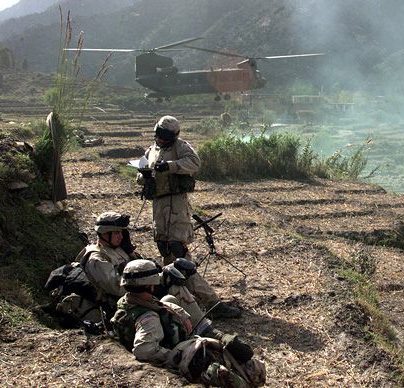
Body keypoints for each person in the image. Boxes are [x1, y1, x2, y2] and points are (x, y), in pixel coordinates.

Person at [137, 115, 240, 318]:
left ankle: (211, 303)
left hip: (176, 205)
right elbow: (139, 176)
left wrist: (171, 166)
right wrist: (145, 175)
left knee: (180, 256)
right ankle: (180, 299)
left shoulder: (181, 147)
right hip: (158, 207)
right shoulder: (152, 150)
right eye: (159, 135)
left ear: (174, 136)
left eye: (165, 136)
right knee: (166, 253)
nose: (161, 139)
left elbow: (194, 163)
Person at [112, 259, 265, 388]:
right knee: (243, 371)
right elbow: (144, 350)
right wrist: (179, 353)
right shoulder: (149, 319)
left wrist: (182, 315)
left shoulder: (128, 301)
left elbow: (160, 303)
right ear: (149, 285)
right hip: (176, 349)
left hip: (169, 335)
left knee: (168, 300)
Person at [73, 211, 215, 334]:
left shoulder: (118, 248)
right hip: (123, 302)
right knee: (172, 285)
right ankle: (200, 327)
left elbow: (142, 267)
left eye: (122, 232)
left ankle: (202, 323)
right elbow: (118, 288)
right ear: (104, 234)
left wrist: (132, 253)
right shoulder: (96, 258)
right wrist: (156, 279)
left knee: (178, 272)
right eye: (116, 233)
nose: (121, 236)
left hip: (140, 291)